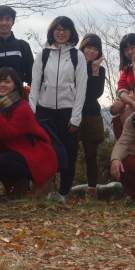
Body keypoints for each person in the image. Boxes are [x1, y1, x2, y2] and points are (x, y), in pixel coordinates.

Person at [29, 16, 87, 203]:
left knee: (69, 154)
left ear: (71, 33)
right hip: (44, 111)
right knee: (45, 152)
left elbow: (82, 88)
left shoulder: (77, 56)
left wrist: (76, 117)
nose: (61, 33)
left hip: (67, 111)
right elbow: (35, 85)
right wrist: (31, 114)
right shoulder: (43, 55)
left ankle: (63, 193)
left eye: (65, 29)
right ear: (52, 32)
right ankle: (45, 190)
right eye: (58, 29)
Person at [0, 68, 58, 198]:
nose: (2, 85)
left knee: (2, 162)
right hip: (21, 152)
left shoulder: (22, 108)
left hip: (38, 155)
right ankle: (20, 182)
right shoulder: (2, 105)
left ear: (16, 85)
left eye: (7, 81)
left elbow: (5, 132)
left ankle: (43, 183)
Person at [77, 34, 106, 201]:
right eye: (88, 47)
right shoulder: (73, 65)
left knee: (91, 155)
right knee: (70, 154)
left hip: (92, 114)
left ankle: (92, 190)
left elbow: (95, 94)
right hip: (73, 114)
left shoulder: (100, 69)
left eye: (95, 49)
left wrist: (95, 73)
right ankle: (64, 191)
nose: (91, 51)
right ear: (82, 48)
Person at [0, 5, 34, 85]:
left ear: (13, 22)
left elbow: (31, 73)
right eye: (0, 20)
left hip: (18, 91)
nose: (4, 23)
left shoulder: (23, 45)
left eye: (8, 19)